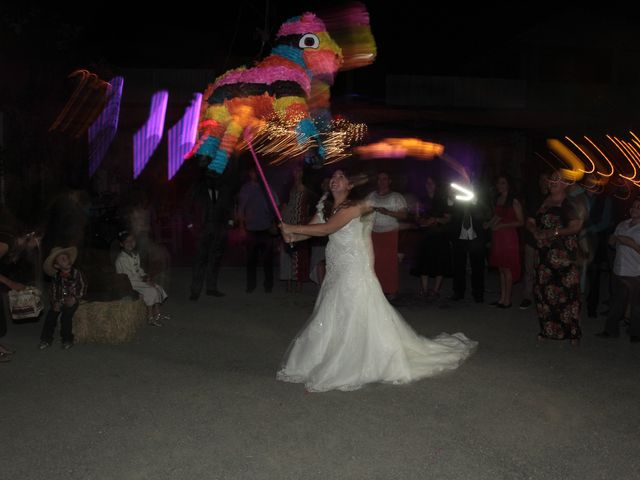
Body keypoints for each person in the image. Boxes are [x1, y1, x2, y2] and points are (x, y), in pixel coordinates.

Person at [277, 169, 477, 392]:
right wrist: (292, 235)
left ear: (350, 185)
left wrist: (292, 227)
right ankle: (325, 355)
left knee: (352, 309)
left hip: (354, 266)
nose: (335, 180)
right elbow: (313, 230)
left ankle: (354, 360)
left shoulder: (357, 206)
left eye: (341, 176)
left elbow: (327, 229)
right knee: (333, 309)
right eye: (333, 177)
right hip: (336, 265)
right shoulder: (326, 208)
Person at [526, 171, 584, 345]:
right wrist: (535, 231)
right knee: (544, 293)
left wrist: (554, 232)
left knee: (567, 294)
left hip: (564, 255)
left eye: (556, 179)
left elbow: (576, 226)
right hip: (544, 255)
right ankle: (547, 330)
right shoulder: (541, 200)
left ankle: (573, 333)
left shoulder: (571, 203)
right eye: (550, 178)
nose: (552, 182)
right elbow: (529, 221)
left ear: (566, 184)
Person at [595, 197, 640, 342]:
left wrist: (632, 243)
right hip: (619, 269)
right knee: (616, 302)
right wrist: (612, 241)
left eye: (638, 207)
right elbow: (613, 244)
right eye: (633, 206)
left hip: (636, 271)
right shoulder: (622, 224)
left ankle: (635, 333)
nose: (634, 209)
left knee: (636, 305)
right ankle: (611, 330)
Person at [186, 173, 233, 300]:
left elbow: (229, 209)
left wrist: (228, 226)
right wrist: (190, 226)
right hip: (202, 229)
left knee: (215, 259)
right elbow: (188, 207)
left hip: (219, 229)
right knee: (200, 260)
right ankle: (195, 291)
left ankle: (211, 288)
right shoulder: (199, 190)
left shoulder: (223, 191)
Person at [366, 172, 408, 300]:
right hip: (373, 232)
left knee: (389, 262)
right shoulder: (372, 196)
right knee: (375, 262)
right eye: (379, 179)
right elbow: (361, 210)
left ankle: (391, 290)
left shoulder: (396, 197)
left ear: (389, 181)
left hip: (390, 233)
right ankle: (377, 290)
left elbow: (404, 215)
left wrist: (387, 212)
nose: (382, 181)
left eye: (384, 179)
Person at [447, 179, 490, 303]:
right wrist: (450, 198)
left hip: (475, 233)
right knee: (458, 264)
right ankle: (458, 292)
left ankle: (478, 293)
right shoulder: (455, 191)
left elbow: (485, 209)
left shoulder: (479, 190)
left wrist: (474, 199)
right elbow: (450, 210)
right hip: (459, 233)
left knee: (478, 265)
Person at [237, 167, 279, 293]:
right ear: (249, 173)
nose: (254, 174)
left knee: (267, 260)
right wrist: (241, 227)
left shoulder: (267, 187)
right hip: (251, 229)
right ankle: (251, 285)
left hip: (266, 228)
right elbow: (240, 209)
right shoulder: (246, 188)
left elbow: (275, 205)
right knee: (251, 260)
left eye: (257, 172)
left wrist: (274, 222)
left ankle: (268, 285)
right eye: (252, 172)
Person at [410, 176, 451, 299]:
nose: (429, 185)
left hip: (439, 235)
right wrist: (421, 220)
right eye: (427, 183)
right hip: (425, 235)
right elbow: (416, 217)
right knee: (424, 262)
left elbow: (448, 218)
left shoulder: (443, 200)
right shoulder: (420, 200)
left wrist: (436, 219)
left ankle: (436, 290)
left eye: (431, 183)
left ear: (436, 185)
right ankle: (424, 289)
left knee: (440, 262)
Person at [115, 231, 167, 327]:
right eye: (127, 241)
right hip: (127, 282)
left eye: (132, 240)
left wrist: (146, 276)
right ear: (121, 244)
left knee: (158, 287)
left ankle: (158, 314)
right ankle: (150, 317)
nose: (130, 243)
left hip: (136, 280)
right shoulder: (122, 258)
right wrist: (145, 280)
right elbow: (129, 276)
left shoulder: (135, 254)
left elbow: (139, 269)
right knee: (151, 291)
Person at [39, 246, 87, 350]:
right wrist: (55, 302)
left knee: (66, 316)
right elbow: (53, 290)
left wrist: (74, 298)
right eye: (62, 259)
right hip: (59, 300)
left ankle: (67, 339)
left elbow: (82, 286)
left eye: (67, 258)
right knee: (50, 316)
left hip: (73, 299)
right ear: (56, 265)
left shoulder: (77, 273)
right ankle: (46, 339)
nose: (67, 260)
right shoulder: (56, 277)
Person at [486, 175, 524, 308]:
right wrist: (489, 224)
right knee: (501, 267)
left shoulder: (514, 200)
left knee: (507, 268)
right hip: (498, 236)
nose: (500, 185)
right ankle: (502, 298)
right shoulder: (499, 198)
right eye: (499, 183)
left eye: (503, 183)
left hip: (508, 236)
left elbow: (521, 222)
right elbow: (497, 216)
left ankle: (507, 300)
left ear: (509, 184)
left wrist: (502, 226)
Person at [279, 166, 312, 292]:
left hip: (299, 222)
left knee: (300, 252)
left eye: (299, 171)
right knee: (288, 252)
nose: (297, 173)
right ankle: (288, 282)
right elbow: (285, 205)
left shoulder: (305, 188)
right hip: (290, 220)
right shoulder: (289, 187)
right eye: (295, 170)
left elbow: (306, 207)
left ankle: (299, 284)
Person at [520, 172, 549, 309]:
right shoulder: (534, 198)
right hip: (532, 239)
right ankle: (527, 296)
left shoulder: (555, 199)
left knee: (545, 271)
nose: (544, 181)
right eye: (542, 179)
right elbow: (528, 220)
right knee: (529, 269)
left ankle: (544, 297)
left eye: (546, 179)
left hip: (548, 241)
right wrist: (535, 232)